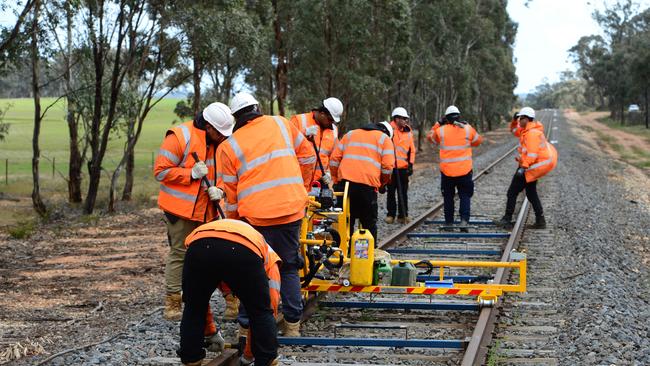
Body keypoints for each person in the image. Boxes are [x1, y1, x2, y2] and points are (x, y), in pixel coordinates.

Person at [218, 92, 315, 337]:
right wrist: (301, 189)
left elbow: (230, 193)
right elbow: (308, 156)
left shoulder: (228, 146)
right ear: (257, 107)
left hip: (255, 218)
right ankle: (293, 326)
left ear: (235, 117)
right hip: (291, 211)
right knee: (288, 267)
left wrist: (235, 223)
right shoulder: (282, 123)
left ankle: (246, 328)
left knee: (252, 271)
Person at [153, 102, 234, 321]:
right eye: (220, 133)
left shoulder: (223, 141)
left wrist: (221, 190)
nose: (224, 137)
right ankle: (173, 303)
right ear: (208, 126)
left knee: (216, 254)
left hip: (209, 210)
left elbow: (228, 171)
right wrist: (190, 174)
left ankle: (231, 300)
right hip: (180, 212)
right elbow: (160, 171)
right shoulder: (180, 136)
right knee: (180, 254)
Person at [177, 219, 281, 366]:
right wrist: (249, 356)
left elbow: (198, 302)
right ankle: (267, 361)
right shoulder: (270, 262)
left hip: (198, 245)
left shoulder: (246, 240)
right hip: (242, 251)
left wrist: (210, 332)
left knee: (193, 306)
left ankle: (191, 358)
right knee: (260, 311)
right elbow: (265, 312)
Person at [330, 121, 395, 242]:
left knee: (345, 221)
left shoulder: (350, 134)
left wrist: (336, 179)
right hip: (367, 186)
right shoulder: (385, 139)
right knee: (368, 223)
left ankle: (342, 254)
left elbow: (334, 159)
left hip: (345, 184)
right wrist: (382, 183)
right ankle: (368, 256)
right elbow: (387, 167)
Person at [495, 107, 557, 229]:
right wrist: (513, 121)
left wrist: (523, 167)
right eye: (518, 118)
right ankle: (540, 221)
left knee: (512, 192)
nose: (519, 120)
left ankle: (507, 219)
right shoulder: (527, 130)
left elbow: (532, 154)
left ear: (527, 119)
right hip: (531, 167)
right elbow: (514, 131)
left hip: (529, 167)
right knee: (531, 193)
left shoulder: (532, 134)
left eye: (521, 118)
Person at [427, 105, 483, 230]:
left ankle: (449, 223)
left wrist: (437, 124)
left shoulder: (440, 131)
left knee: (448, 197)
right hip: (465, 171)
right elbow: (478, 141)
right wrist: (468, 127)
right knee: (465, 195)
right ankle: (464, 221)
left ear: (446, 118)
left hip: (447, 172)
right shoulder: (467, 129)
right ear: (459, 116)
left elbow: (430, 138)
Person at [290, 97, 344, 186]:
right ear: (322, 113)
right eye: (330, 120)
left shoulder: (333, 130)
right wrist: (303, 134)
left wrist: (329, 174)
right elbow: (286, 147)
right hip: (297, 181)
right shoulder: (299, 121)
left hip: (319, 183)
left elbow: (335, 156)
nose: (331, 123)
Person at [385, 107, 416, 225]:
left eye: (406, 119)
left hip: (403, 169)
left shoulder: (408, 132)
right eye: (403, 119)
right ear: (396, 119)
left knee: (403, 192)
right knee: (391, 192)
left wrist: (411, 164)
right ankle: (390, 215)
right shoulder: (389, 130)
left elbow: (412, 150)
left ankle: (403, 215)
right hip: (391, 168)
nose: (405, 121)